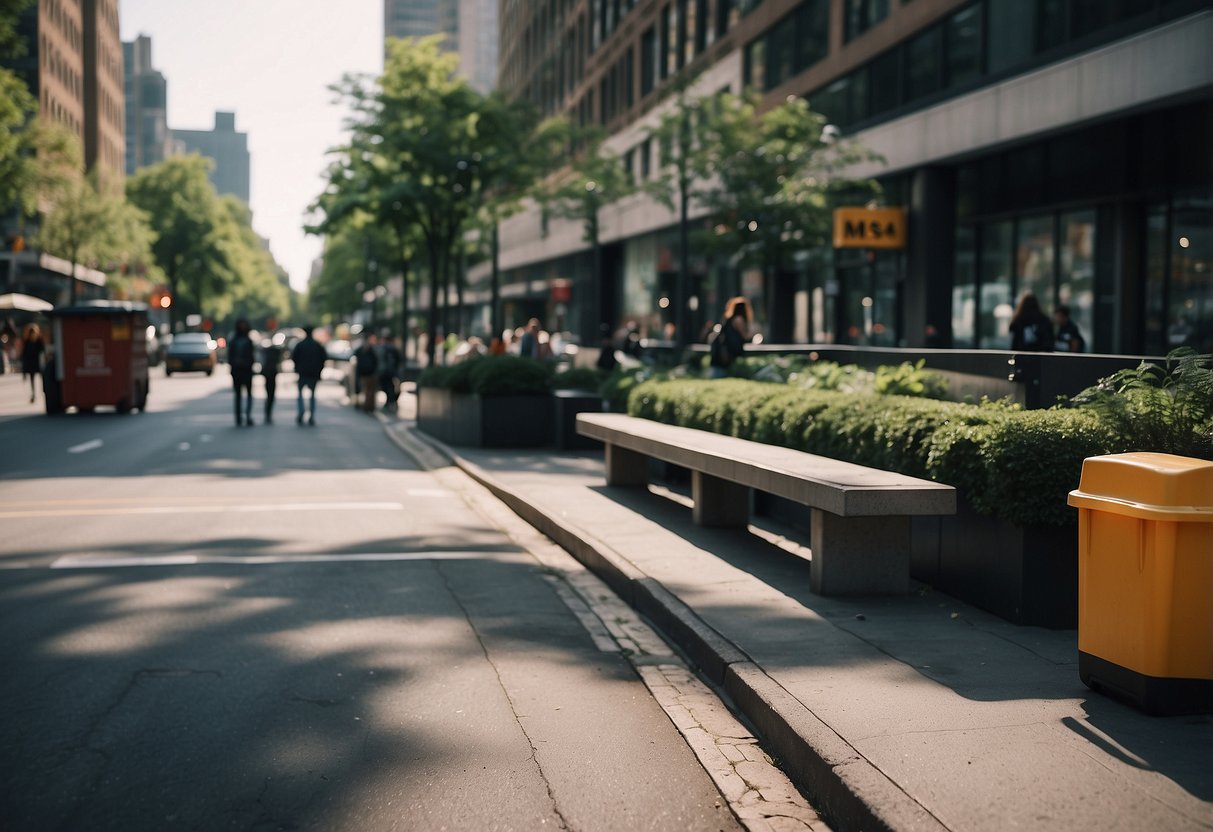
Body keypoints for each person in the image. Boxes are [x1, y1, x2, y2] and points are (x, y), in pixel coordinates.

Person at [291, 326, 326, 425]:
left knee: (300, 394)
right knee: (312, 395)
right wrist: (319, 371)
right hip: (313, 373)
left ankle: (301, 411)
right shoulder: (317, 345)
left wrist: (297, 368)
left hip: (303, 373)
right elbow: (323, 359)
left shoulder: (300, 345)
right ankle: (311, 415)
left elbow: (294, 358)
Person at [708, 297, 750, 378]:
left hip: (724, 348)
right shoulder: (739, 319)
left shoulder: (728, 319)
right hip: (731, 349)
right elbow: (744, 336)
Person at [228, 319, 256, 425]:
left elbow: (252, 356)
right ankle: (239, 416)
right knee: (238, 395)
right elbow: (230, 357)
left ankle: (247, 415)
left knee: (247, 394)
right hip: (238, 370)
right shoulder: (235, 341)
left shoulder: (248, 341)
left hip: (246, 370)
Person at [260, 336, 283, 424]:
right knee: (270, 395)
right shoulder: (274, 353)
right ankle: (268, 413)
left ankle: (268, 413)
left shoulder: (268, 353)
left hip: (269, 374)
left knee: (269, 395)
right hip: (271, 374)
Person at [354, 333, 379, 413]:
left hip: (369, 373)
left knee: (369, 391)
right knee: (367, 391)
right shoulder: (363, 350)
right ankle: (367, 406)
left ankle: (369, 406)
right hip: (365, 373)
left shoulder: (371, 350)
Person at [20, 323, 45, 403]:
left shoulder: (39, 341)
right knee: (32, 380)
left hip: (39, 363)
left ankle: (44, 392)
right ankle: (33, 394)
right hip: (31, 364)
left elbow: (43, 351)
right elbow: (24, 354)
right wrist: (24, 370)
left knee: (43, 378)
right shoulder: (27, 341)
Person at [378, 334, 402, 413]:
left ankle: (390, 401)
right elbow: (399, 361)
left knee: (387, 387)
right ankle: (391, 401)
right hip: (392, 372)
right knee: (391, 387)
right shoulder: (394, 349)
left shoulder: (383, 348)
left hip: (385, 371)